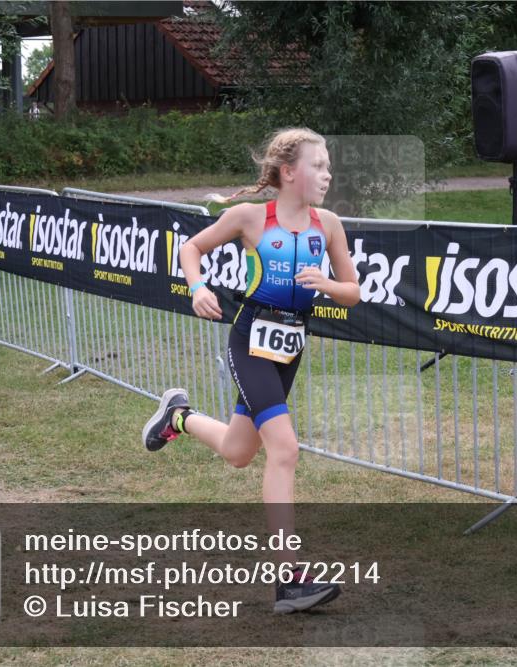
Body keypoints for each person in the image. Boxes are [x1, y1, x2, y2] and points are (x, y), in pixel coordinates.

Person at [141, 128, 360, 614]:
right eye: (319, 166)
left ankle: (177, 416)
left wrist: (326, 282)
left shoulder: (329, 225)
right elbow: (191, 249)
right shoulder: (250, 218)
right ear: (289, 173)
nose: (327, 174)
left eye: (328, 167)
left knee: (240, 452)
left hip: (290, 349)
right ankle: (289, 580)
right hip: (249, 342)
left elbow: (353, 291)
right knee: (284, 448)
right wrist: (198, 287)